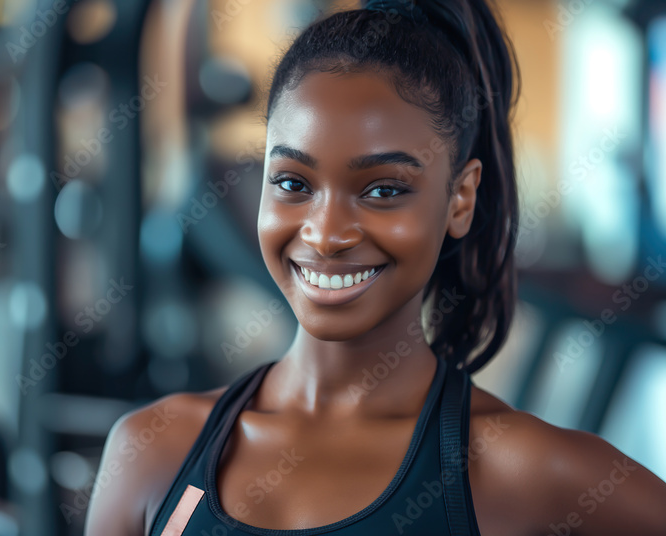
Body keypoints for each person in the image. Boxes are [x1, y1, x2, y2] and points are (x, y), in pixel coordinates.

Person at [84, 0, 666, 534]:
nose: (326, 234)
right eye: (292, 182)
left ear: (459, 199)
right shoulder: (150, 450)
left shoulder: (520, 472)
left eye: (383, 190)